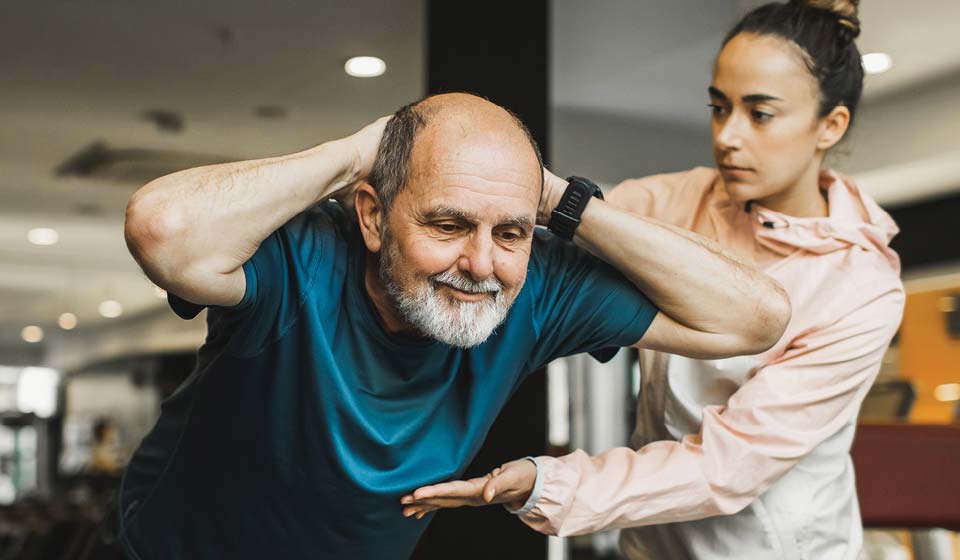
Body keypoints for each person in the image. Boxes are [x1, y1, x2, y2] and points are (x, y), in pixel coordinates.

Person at [119, 93, 789, 559]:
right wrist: (359, 152)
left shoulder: (538, 286)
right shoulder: (305, 253)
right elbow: (162, 233)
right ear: (374, 217)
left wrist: (559, 198)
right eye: (447, 224)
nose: (480, 263)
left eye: (510, 231)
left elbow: (756, 318)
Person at [403, 2, 905, 559]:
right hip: (654, 548)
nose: (728, 136)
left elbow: (729, 464)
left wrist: (552, 485)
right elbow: (537, 256)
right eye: (719, 108)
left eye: (759, 114)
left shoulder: (862, 288)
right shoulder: (671, 202)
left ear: (829, 125)